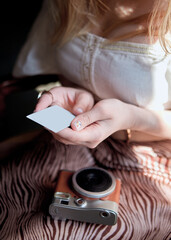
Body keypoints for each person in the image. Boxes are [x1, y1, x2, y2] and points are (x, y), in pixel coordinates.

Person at [1, 0, 171, 239]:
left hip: (150, 158)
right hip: (66, 143)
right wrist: (75, 99)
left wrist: (131, 118)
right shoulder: (64, 4)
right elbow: (46, 65)